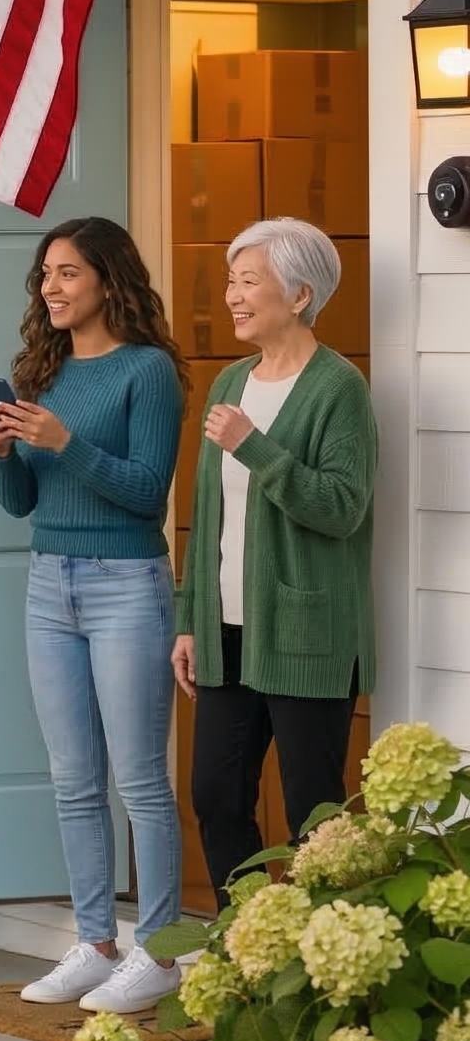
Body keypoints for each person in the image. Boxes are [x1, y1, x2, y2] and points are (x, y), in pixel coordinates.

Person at [0, 217, 187, 1015]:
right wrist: (3, 451)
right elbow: (20, 505)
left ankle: (162, 951)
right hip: (49, 582)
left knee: (139, 777)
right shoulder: (43, 369)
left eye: (68, 273)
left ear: (109, 278)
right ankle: (96, 942)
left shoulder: (149, 372)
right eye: (45, 275)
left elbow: (146, 494)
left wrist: (65, 441)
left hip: (126, 581)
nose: (52, 288)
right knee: (73, 779)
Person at [173, 217, 376, 900]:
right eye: (231, 280)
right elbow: (210, 518)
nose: (232, 294)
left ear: (299, 296)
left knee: (315, 816)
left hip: (305, 635)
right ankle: (252, 945)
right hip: (227, 634)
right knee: (217, 799)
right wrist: (187, 618)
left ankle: (331, 964)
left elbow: (342, 506)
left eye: (249, 281)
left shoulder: (338, 388)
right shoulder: (230, 381)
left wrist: (257, 448)